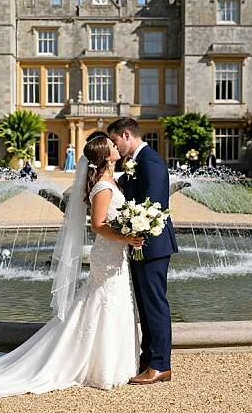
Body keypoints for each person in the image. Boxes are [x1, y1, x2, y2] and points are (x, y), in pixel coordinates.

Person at [0, 136, 144, 398]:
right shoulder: (102, 186)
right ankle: (100, 368)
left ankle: (113, 364)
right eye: (112, 146)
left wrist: (131, 231)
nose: (116, 147)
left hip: (116, 254)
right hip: (108, 253)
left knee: (110, 301)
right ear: (105, 156)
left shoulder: (111, 180)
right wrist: (126, 236)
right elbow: (98, 226)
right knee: (103, 301)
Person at [107, 117, 178, 385]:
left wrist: (134, 229)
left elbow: (155, 207)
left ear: (126, 135)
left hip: (152, 244)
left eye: (115, 141)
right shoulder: (138, 161)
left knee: (155, 304)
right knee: (146, 306)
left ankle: (161, 365)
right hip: (140, 242)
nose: (116, 147)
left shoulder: (150, 161)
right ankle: (148, 359)